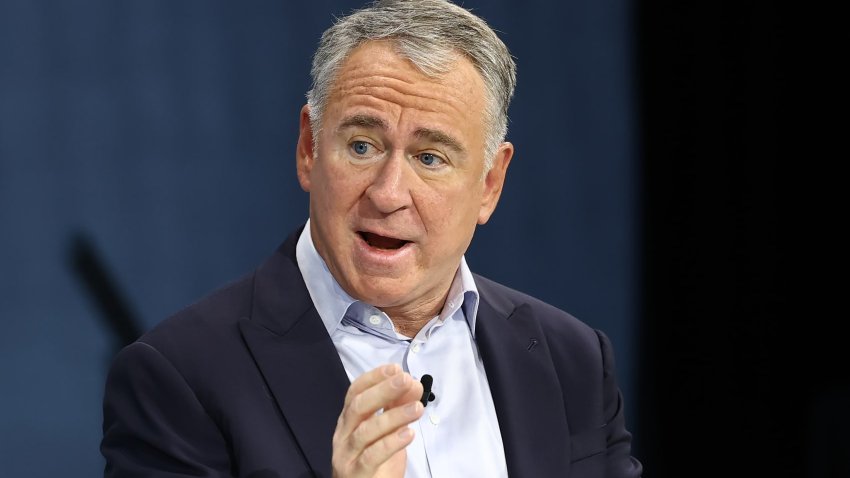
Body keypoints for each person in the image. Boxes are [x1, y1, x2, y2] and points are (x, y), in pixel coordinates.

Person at [100, 0, 643, 476]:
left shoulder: (571, 362)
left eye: (430, 158)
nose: (387, 193)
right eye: (362, 145)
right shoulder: (178, 377)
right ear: (309, 148)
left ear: (490, 184)